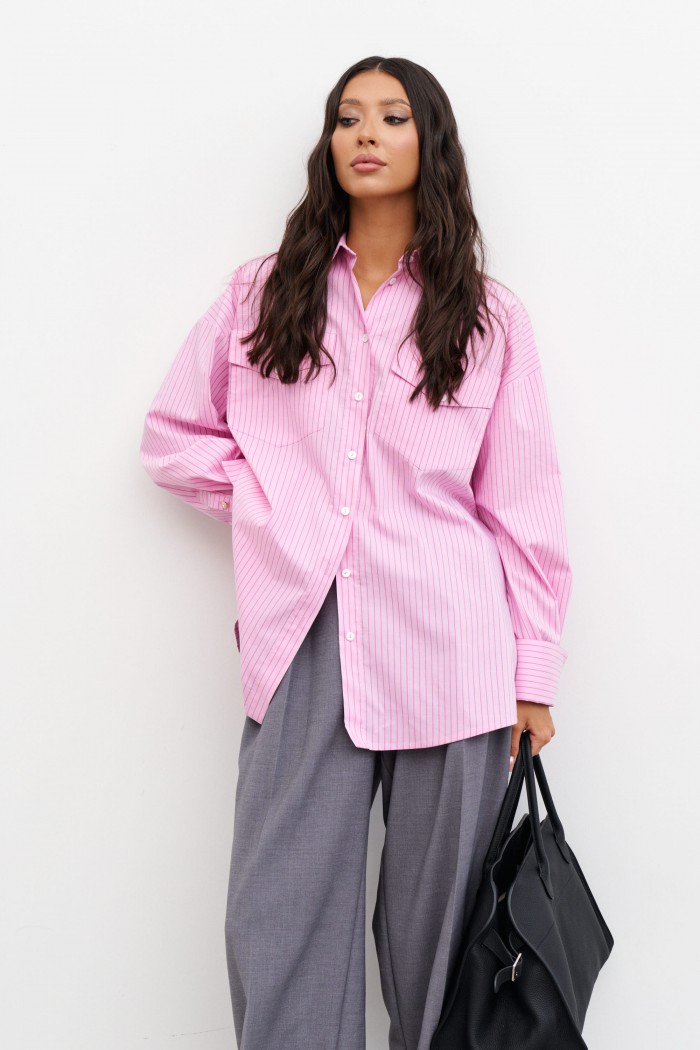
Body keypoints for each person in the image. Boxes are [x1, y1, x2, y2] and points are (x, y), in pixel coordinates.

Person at [139, 56, 572, 1050]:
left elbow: (523, 505)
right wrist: (270, 506)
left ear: (431, 143)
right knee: (277, 914)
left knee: (442, 937)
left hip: (452, 644)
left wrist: (534, 675)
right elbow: (173, 435)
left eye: (391, 116)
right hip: (303, 634)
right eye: (347, 118)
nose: (365, 133)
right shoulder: (261, 295)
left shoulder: (489, 316)